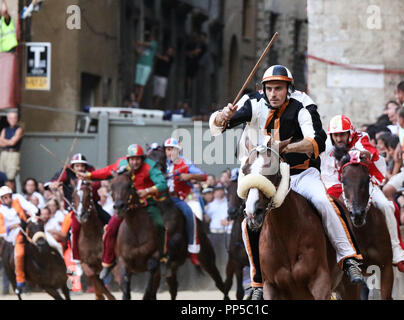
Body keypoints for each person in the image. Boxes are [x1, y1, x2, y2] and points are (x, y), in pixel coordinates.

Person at [209, 64, 364, 300]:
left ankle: (348, 258)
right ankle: (257, 281)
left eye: (279, 88)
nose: (273, 94)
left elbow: (317, 141)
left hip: (301, 174)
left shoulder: (303, 104)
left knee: (324, 201)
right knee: (247, 219)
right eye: (269, 88)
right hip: (268, 176)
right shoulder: (253, 102)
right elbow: (218, 126)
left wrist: (283, 148)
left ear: (288, 89)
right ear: (263, 89)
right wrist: (222, 116)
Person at [321, 115, 404, 272]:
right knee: (325, 209)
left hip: (365, 184)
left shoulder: (362, 137)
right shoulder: (326, 148)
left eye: (342, 134)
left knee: (387, 206)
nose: (339, 138)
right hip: (339, 187)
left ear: (350, 133)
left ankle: (397, 253)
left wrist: (364, 154)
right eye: (336, 135)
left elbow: (367, 151)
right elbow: (329, 179)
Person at [77, 144, 167, 279]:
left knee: (160, 224)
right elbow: (106, 171)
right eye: (132, 159)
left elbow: (162, 183)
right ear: (128, 159)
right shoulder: (121, 164)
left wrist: (148, 190)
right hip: (126, 206)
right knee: (110, 230)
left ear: (142, 159)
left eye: (137, 159)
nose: (135, 162)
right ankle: (107, 263)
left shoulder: (150, 166)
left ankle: (162, 256)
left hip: (146, 203)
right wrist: (88, 175)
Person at [164, 137, 207, 265]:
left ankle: (193, 249)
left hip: (182, 197)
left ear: (177, 150)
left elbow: (203, 176)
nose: (169, 152)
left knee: (190, 215)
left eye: (171, 149)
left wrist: (189, 175)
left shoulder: (185, 163)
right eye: (167, 149)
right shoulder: (162, 164)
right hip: (163, 199)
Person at [0, 186, 36, 294]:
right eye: (5, 198)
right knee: (18, 254)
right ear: (1, 199)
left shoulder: (17, 200)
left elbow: (29, 209)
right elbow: (1, 228)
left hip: (26, 227)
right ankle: (20, 281)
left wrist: (32, 215)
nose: (8, 199)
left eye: (9, 196)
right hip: (13, 235)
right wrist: (11, 227)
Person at [134, 31, 158, 105]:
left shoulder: (154, 44)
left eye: (150, 36)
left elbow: (147, 44)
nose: (149, 38)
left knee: (142, 85)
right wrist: (135, 46)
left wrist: (139, 43)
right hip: (140, 64)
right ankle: (134, 101)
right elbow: (140, 52)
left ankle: (137, 102)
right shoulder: (146, 47)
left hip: (147, 66)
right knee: (137, 84)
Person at [0, 111, 23, 182]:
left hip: (13, 154)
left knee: (11, 176)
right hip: (4, 153)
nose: (12, 120)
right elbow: (0, 143)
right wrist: (8, 141)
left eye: (14, 118)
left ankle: (10, 192)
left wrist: (4, 140)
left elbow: (13, 143)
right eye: (11, 118)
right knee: (2, 174)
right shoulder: (5, 129)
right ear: (8, 119)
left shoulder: (19, 129)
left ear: (17, 119)